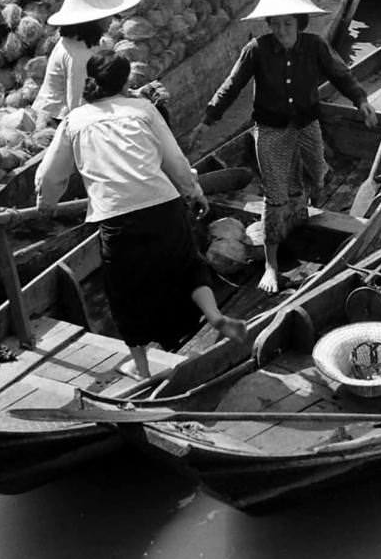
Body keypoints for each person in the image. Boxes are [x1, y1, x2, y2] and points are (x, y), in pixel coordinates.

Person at [36, 52, 243, 378]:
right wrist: (195, 193)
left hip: (118, 220)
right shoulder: (143, 110)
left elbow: (51, 178)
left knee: (125, 294)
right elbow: (174, 162)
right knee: (189, 264)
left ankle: (142, 367)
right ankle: (213, 313)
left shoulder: (73, 121)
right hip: (165, 206)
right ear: (125, 82)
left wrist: (46, 203)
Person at [192, 0, 378, 294]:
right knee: (275, 197)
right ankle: (271, 264)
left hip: (307, 125)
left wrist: (361, 100)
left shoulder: (314, 46)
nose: (281, 30)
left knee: (317, 176)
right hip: (271, 132)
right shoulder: (257, 50)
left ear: (300, 23)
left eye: (287, 23)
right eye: (275, 24)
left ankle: (301, 207)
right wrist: (207, 120)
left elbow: (340, 74)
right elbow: (232, 85)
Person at [33, 0, 141, 126]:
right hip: (58, 121)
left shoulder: (88, 42)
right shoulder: (78, 55)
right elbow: (78, 107)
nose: (112, 20)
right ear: (93, 20)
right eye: (107, 15)